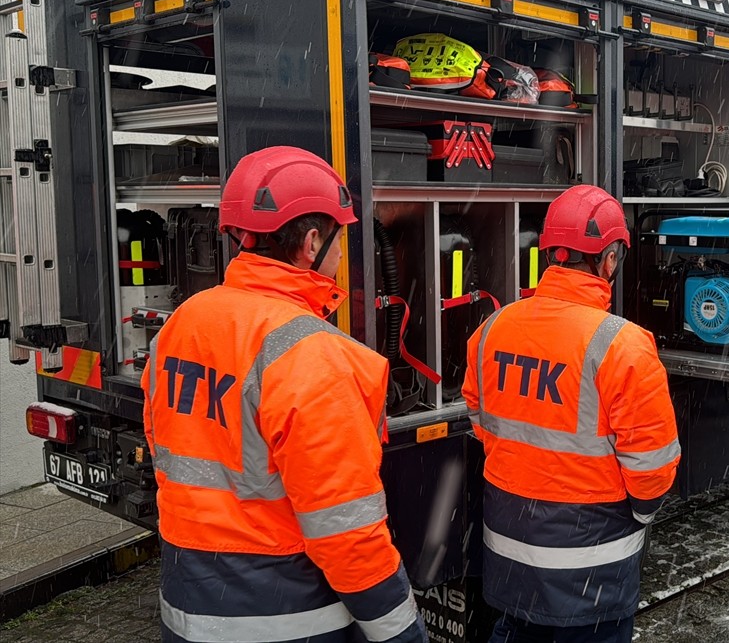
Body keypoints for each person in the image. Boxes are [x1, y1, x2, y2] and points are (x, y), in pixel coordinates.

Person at [142, 146, 427, 643]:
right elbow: (347, 531)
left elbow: (163, 441)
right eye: (341, 237)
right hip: (284, 618)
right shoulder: (313, 355)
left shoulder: (182, 323)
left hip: (188, 607)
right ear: (312, 241)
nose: (342, 254)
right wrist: (401, 632)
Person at [462, 184, 680, 643]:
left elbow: (484, 425)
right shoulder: (624, 345)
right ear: (609, 260)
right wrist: (638, 517)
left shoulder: (491, 330)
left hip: (509, 555)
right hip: (590, 572)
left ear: (548, 256)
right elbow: (653, 468)